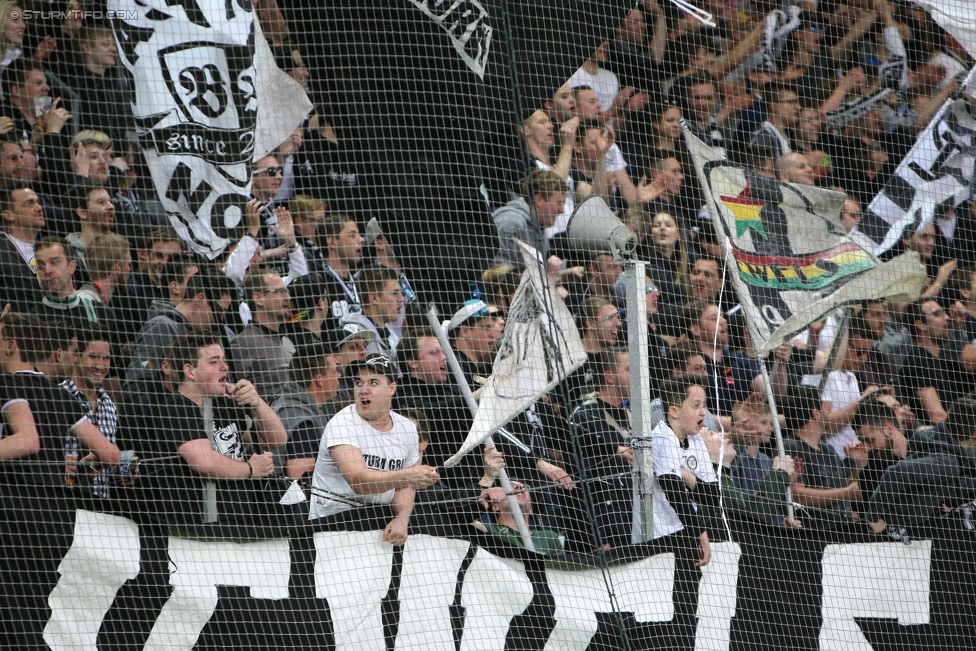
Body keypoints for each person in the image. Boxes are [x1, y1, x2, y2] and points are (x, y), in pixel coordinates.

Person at [144, 332, 287, 529]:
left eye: (224, 360)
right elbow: (204, 462)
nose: (224, 367)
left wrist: (256, 402)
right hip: (200, 528)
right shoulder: (175, 407)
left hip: (240, 521)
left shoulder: (223, 404)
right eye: (214, 362)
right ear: (190, 371)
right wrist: (251, 469)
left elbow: (276, 439)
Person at [308, 353, 440, 547]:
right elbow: (359, 481)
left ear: (391, 389)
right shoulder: (342, 424)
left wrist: (402, 519)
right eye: (359, 383)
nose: (364, 390)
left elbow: (405, 488)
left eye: (373, 383)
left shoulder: (408, 428)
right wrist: (408, 475)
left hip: (378, 524)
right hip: (333, 526)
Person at [780, 386, 861, 528]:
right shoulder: (791, 447)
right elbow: (796, 494)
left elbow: (845, 487)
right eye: (824, 406)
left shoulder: (827, 448)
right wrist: (846, 493)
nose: (829, 411)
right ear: (815, 413)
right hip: (815, 534)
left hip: (843, 531)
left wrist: (858, 465)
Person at [60, 326, 120, 500]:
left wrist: (124, 468)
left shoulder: (110, 406)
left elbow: (108, 473)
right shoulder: (57, 397)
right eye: (93, 357)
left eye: (106, 358)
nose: (100, 366)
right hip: (63, 502)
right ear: (77, 357)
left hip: (100, 509)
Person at [272, 343, 340, 479]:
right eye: (334, 371)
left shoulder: (294, 404)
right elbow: (299, 479)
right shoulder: (300, 418)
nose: (339, 375)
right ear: (319, 380)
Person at [230, 270, 296, 401]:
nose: (288, 298)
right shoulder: (243, 343)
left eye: (286, 291)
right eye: (280, 292)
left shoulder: (287, 342)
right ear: (258, 298)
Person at [491, 168, 566, 267]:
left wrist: (561, 277)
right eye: (559, 203)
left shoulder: (540, 229)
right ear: (538, 200)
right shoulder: (510, 223)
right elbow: (493, 274)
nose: (562, 210)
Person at [338, 265, 404, 362]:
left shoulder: (391, 335)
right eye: (394, 293)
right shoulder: (355, 338)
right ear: (374, 298)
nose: (401, 299)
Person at [0, 185, 46, 312]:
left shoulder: (50, 248)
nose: (39, 208)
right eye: (29, 204)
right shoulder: (2, 249)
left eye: (38, 202)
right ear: (9, 215)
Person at [447, 299, 505, 391]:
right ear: (465, 331)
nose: (492, 334)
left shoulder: (477, 368)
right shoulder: (453, 367)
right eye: (486, 328)